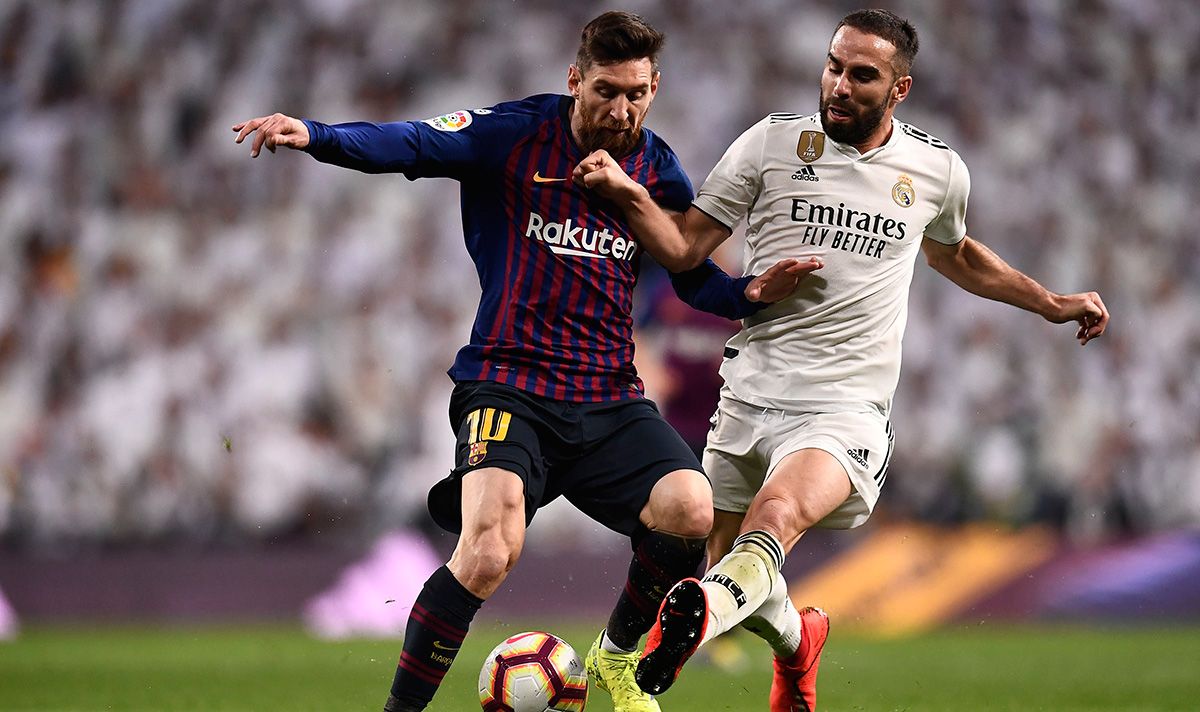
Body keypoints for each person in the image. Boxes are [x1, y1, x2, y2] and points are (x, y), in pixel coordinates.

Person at [233, 11, 816, 712]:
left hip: (607, 395)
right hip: (508, 385)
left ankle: (615, 659)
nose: (620, 109)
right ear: (575, 80)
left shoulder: (656, 169)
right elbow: (413, 141)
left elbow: (688, 275)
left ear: (654, 88)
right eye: (605, 90)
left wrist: (748, 293)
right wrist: (317, 135)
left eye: (635, 94)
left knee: (691, 508)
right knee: (487, 551)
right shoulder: (513, 135)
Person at [573, 9, 1109, 711]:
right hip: (749, 391)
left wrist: (1050, 302)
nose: (840, 85)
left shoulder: (936, 169)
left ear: (899, 89)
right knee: (732, 565)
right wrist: (628, 194)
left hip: (845, 406)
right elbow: (684, 248)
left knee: (777, 514)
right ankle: (798, 642)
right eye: (834, 67)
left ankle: (692, 626)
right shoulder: (769, 144)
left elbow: (956, 254)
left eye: (862, 75)